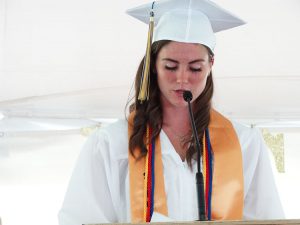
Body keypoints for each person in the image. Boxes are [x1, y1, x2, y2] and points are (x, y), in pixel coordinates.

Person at [58, 0, 285, 224]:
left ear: (211, 64)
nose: (182, 79)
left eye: (196, 67)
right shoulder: (110, 144)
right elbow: (80, 218)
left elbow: (268, 219)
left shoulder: (245, 143)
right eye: (170, 66)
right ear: (153, 64)